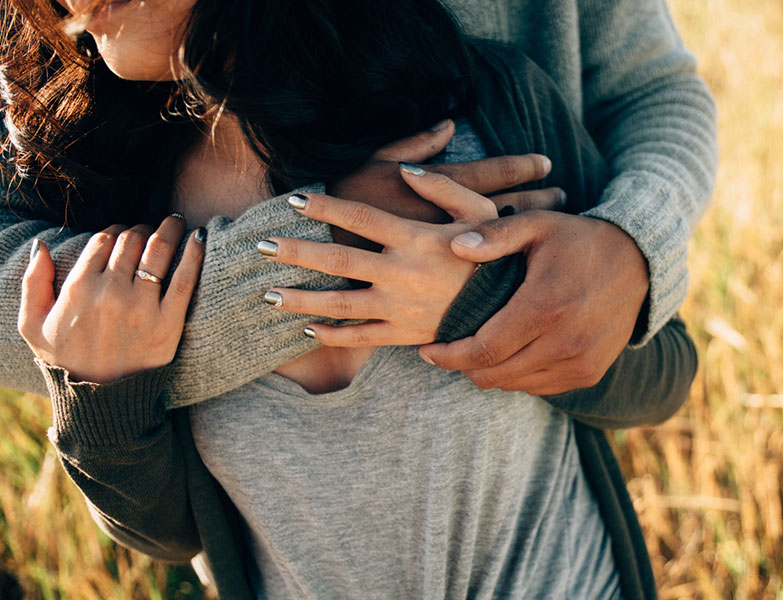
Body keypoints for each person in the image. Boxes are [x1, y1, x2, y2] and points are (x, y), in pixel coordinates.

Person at [1, 0, 708, 598]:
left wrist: (485, 301)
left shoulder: (488, 106)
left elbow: (663, 373)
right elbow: (170, 534)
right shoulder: (128, 208)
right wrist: (101, 410)